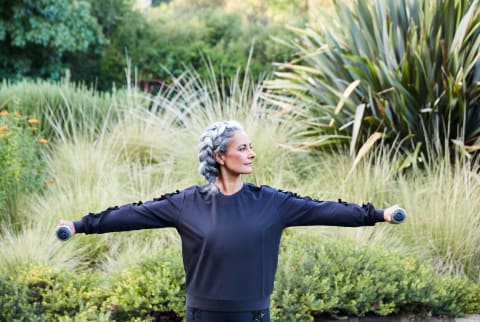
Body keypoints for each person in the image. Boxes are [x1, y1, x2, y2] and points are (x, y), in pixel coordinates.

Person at [57, 120, 403, 322]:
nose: (251, 154)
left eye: (251, 147)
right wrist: (80, 225)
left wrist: (377, 214)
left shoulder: (271, 202)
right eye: (242, 148)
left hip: (252, 315)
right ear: (220, 157)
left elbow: (324, 209)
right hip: (203, 315)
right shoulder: (186, 204)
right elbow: (132, 214)